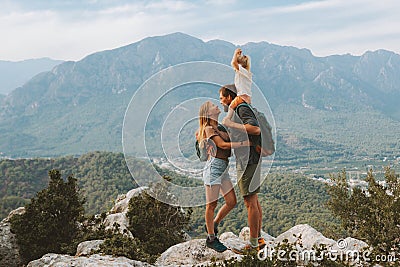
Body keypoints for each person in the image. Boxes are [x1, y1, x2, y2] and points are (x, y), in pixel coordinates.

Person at [196, 101, 251, 252]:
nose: (216, 106)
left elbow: (229, 136)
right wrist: (244, 143)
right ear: (208, 113)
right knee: (211, 205)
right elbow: (223, 145)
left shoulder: (218, 127)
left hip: (223, 168)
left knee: (231, 201)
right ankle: (211, 238)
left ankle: (213, 224)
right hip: (214, 168)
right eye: (213, 106)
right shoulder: (208, 128)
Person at [220, 84, 266, 252]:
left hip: (249, 160)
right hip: (248, 158)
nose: (221, 102)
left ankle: (253, 244)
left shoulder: (241, 108)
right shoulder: (238, 110)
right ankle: (258, 239)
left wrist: (232, 125)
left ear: (229, 97)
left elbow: (255, 128)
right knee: (252, 199)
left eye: (222, 98)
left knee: (250, 201)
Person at [223, 48, 252, 123]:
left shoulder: (241, 71)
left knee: (231, 107)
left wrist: (235, 54)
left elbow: (233, 63)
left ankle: (227, 120)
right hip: (247, 97)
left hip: (242, 96)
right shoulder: (247, 73)